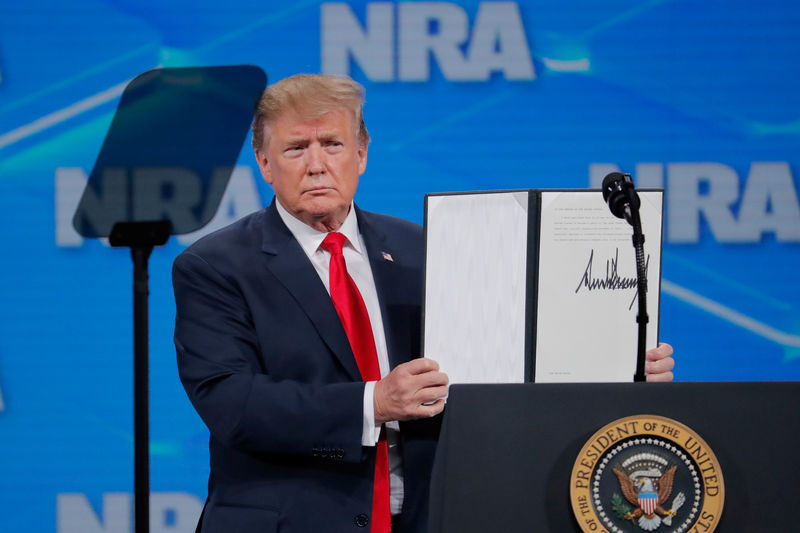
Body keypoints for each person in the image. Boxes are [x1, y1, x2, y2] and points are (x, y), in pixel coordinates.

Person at [173, 74, 675, 533]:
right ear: (264, 162)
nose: (317, 164)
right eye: (295, 148)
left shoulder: (425, 248)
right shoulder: (216, 266)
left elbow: (499, 363)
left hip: (429, 517)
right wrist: (374, 402)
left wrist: (616, 373)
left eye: (332, 144)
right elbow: (232, 403)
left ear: (362, 153)